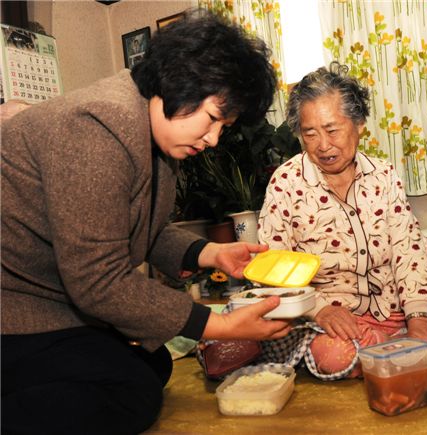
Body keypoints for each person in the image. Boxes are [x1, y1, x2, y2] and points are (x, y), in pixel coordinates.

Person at [1, 9, 291, 435]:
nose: (213, 139)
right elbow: (98, 279)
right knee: (132, 394)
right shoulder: (97, 130)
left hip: (54, 302)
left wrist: (212, 253)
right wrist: (219, 325)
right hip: (16, 310)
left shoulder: (149, 127)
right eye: (212, 119)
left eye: (222, 127)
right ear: (180, 80)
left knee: (152, 362)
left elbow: (136, 227)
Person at [255, 62, 427, 379]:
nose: (323, 145)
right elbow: (274, 264)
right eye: (310, 133)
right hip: (325, 318)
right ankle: (387, 351)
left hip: (390, 311)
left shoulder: (384, 177)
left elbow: (408, 252)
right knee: (336, 354)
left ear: (358, 124)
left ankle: (391, 344)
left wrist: (418, 320)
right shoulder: (286, 183)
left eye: (332, 130)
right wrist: (320, 308)